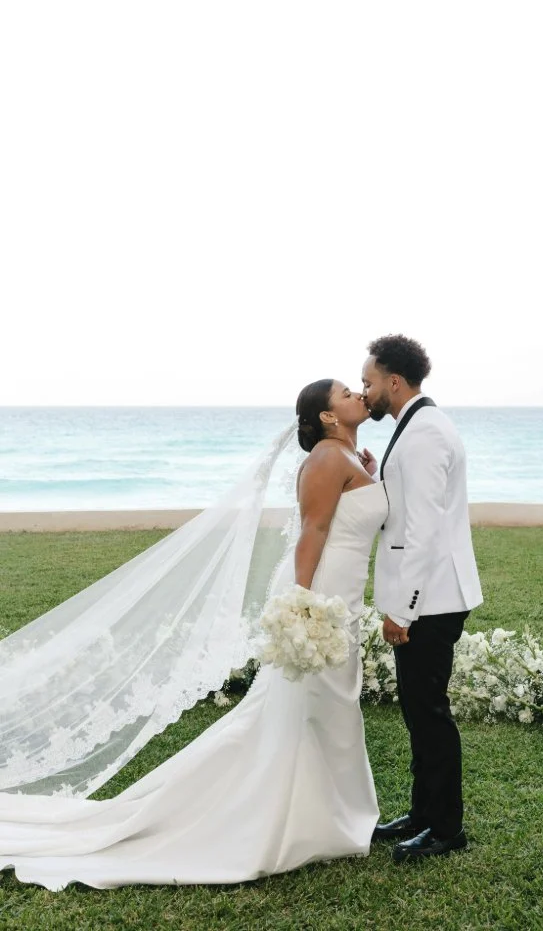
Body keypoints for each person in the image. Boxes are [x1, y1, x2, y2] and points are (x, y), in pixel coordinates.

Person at [0, 379, 387, 891]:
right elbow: (312, 531)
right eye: (346, 392)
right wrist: (303, 603)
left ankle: (333, 814)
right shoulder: (326, 458)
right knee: (312, 705)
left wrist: (373, 476)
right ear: (328, 416)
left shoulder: (352, 457)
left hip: (345, 595)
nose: (357, 394)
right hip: (320, 594)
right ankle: (301, 819)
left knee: (332, 705)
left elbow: (354, 518)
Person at [361, 334, 484, 862]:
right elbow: (411, 504)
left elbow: (426, 529)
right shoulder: (415, 425)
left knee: (429, 712)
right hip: (427, 598)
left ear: (393, 382)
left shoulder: (427, 432)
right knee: (417, 709)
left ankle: (446, 829)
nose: (364, 392)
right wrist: (377, 476)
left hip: (431, 600)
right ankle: (422, 813)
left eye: (368, 382)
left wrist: (402, 610)